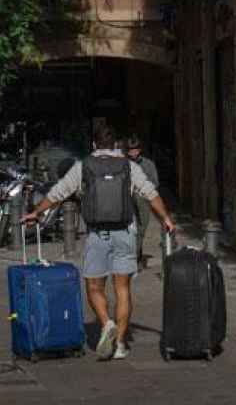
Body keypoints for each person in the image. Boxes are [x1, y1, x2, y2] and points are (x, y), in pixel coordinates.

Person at [23, 121, 177, 362]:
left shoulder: (83, 165)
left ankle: (106, 323)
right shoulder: (128, 166)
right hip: (125, 232)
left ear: (94, 144)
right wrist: (166, 218)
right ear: (116, 145)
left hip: (97, 234)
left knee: (94, 287)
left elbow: (59, 192)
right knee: (122, 289)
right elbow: (151, 193)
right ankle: (120, 344)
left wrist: (36, 212)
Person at [124, 134, 161, 269]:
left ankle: (136, 256)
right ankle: (133, 258)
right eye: (130, 150)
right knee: (130, 229)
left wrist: (144, 190)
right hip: (127, 200)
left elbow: (155, 183)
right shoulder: (123, 164)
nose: (133, 152)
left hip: (143, 200)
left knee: (141, 228)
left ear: (139, 150)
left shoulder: (148, 164)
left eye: (135, 149)